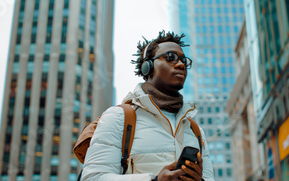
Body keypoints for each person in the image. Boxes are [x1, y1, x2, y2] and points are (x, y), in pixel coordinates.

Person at [81, 31, 215, 181]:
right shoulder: (118, 117)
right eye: (171, 58)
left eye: (185, 60)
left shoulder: (195, 130)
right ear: (148, 67)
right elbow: (92, 178)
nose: (181, 64)